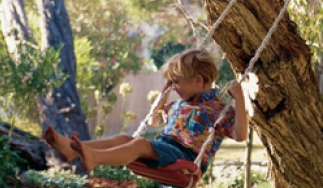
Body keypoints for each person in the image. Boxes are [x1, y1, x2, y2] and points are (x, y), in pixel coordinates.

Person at [45, 48, 247, 174]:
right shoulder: (178, 106)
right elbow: (154, 122)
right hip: (164, 148)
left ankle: (94, 158)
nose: (174, 86)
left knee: (139, 143)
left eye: (177, 82)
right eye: (172, 83)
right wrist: (164, 94)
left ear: (198, 80)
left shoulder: (218, 109)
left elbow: (240, 135)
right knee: (125, 138)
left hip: (186, 158)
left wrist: (239, 98)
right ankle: (71, 150)